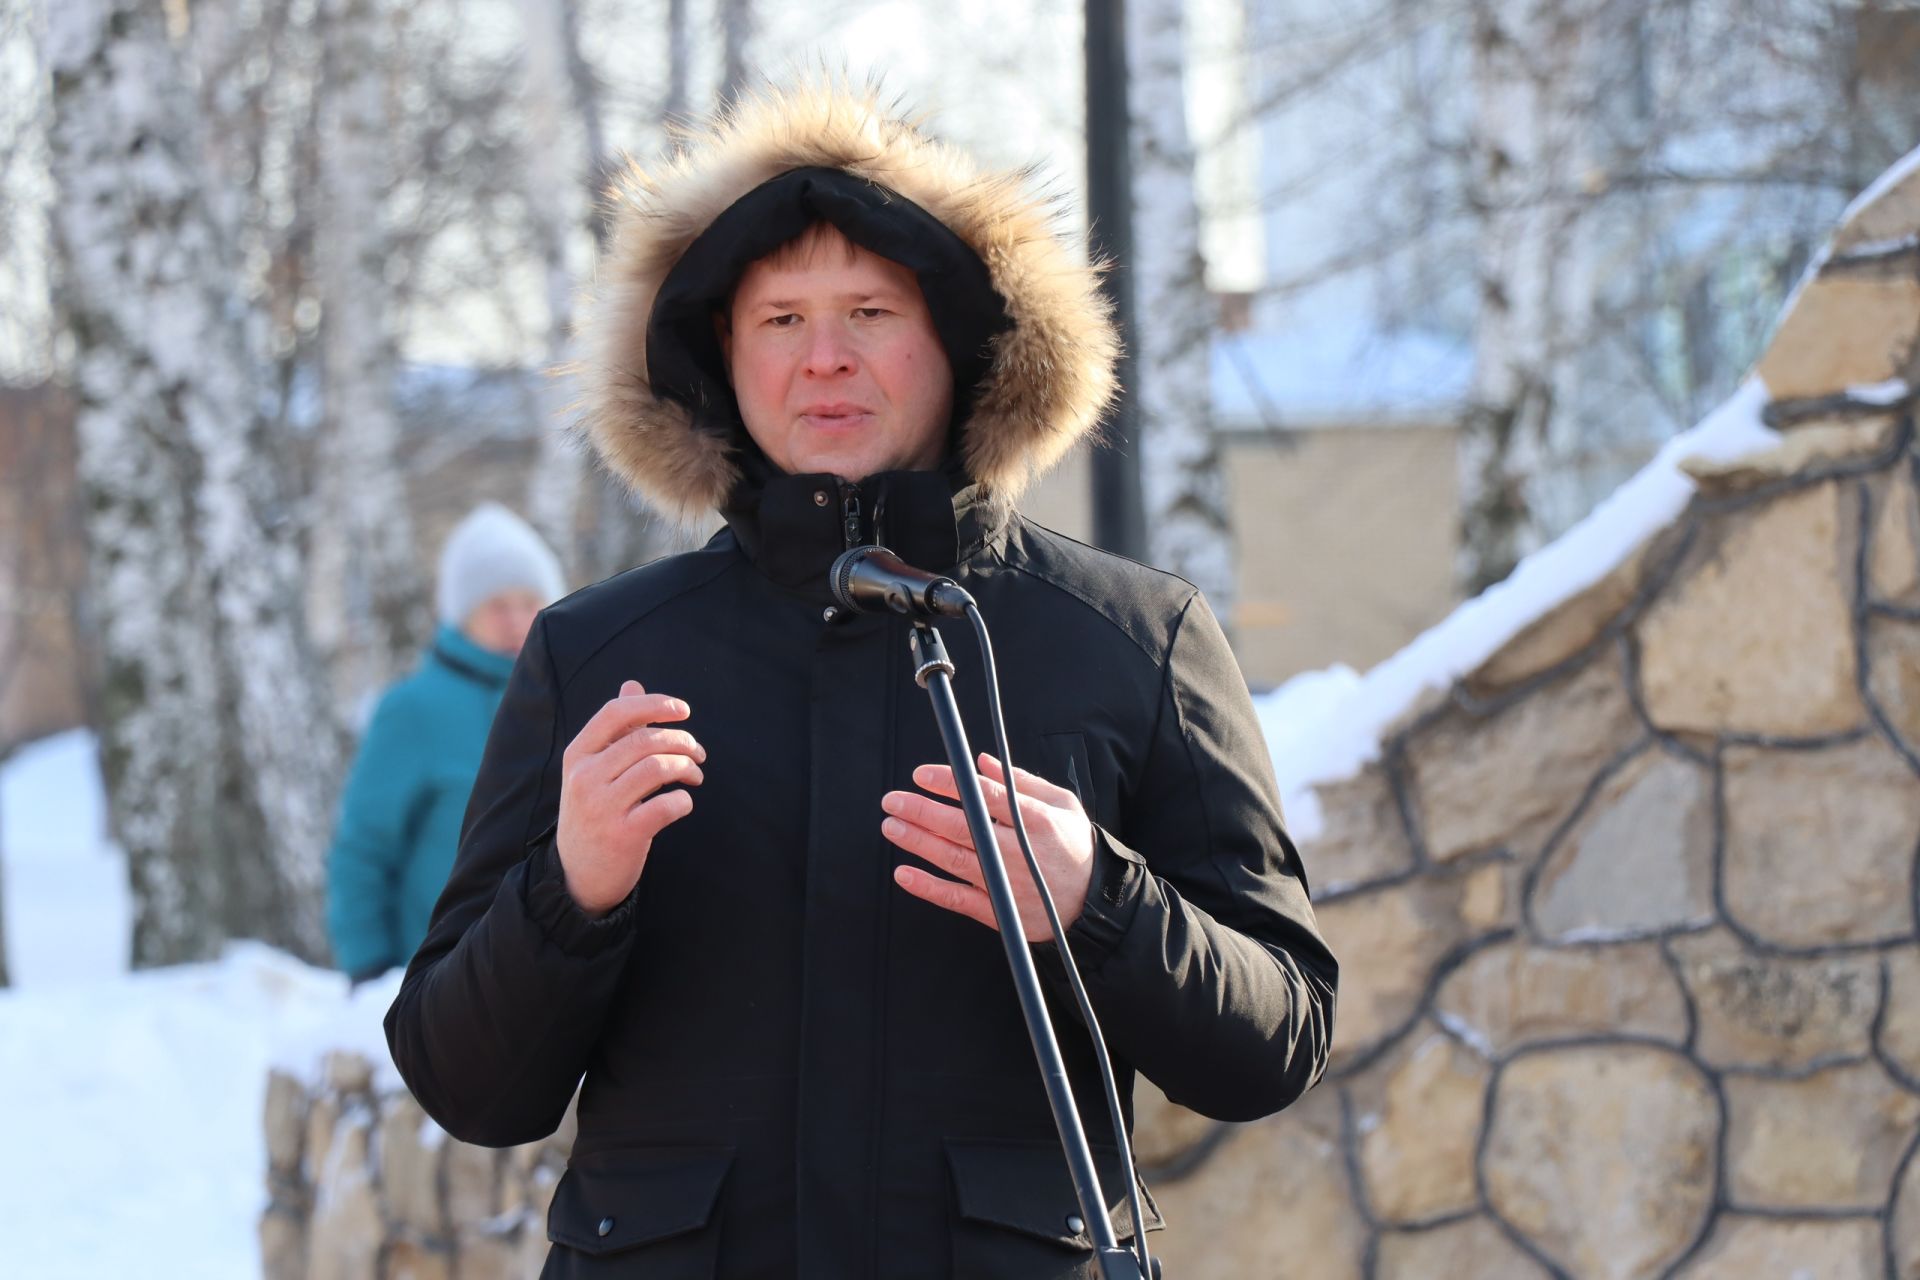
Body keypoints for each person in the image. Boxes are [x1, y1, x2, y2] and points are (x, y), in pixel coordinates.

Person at [386, 82, 1337, 1278]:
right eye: (779, 319)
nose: (824, 357)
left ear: (960, 340)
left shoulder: (1131, 638)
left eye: (870, 310)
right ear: (720, 359)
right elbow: (463, 1083)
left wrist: (1102, 901)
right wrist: (567, 891)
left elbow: (1278, 1037)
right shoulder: (598, 655)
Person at [326, 502, 566, 986]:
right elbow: (363, 850)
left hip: (558, 977)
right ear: (461, 614)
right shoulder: (413, 709)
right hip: (442, 987)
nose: (517, 620)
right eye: (497, 605)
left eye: (529, 601)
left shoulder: (574, 694)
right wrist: (370, 970)